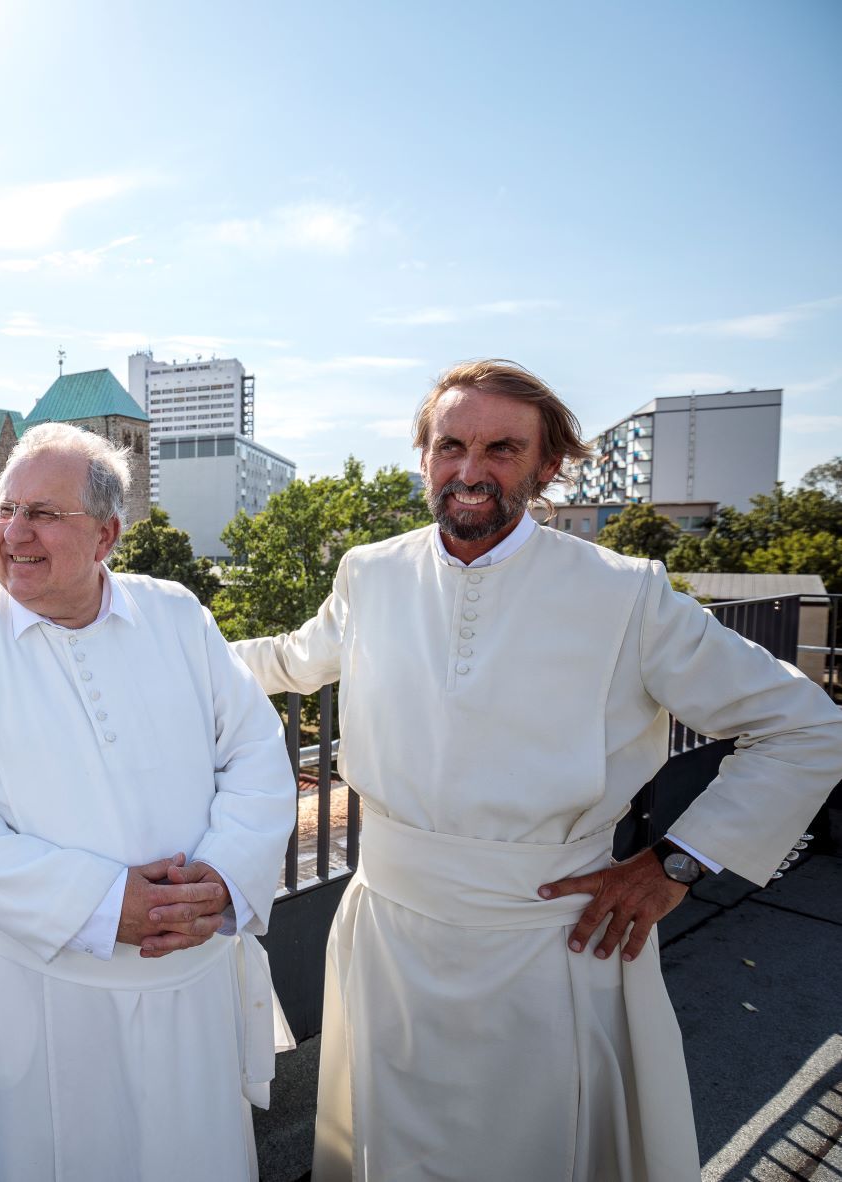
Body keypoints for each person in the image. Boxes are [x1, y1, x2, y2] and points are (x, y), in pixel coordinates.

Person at [233, 359, 842, 1181]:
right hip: (387, 937)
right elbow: (290, 660)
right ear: (423, 454)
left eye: (501, 449)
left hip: (550, 945)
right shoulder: (369, 571)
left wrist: (675, 864)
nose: (469, 471)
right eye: (449, 445)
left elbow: (806, 727)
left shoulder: (625, 594)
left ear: (547, 464)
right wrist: (144, 636)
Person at [0, 422, 297, 1181]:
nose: (13, 533)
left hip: (188, 982)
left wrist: (220, 880)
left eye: (43, 514)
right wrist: (99, 904)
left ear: (107, 534)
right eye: (4, 510)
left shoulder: (178, 614)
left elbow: (253, 750)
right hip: (41, 1003)